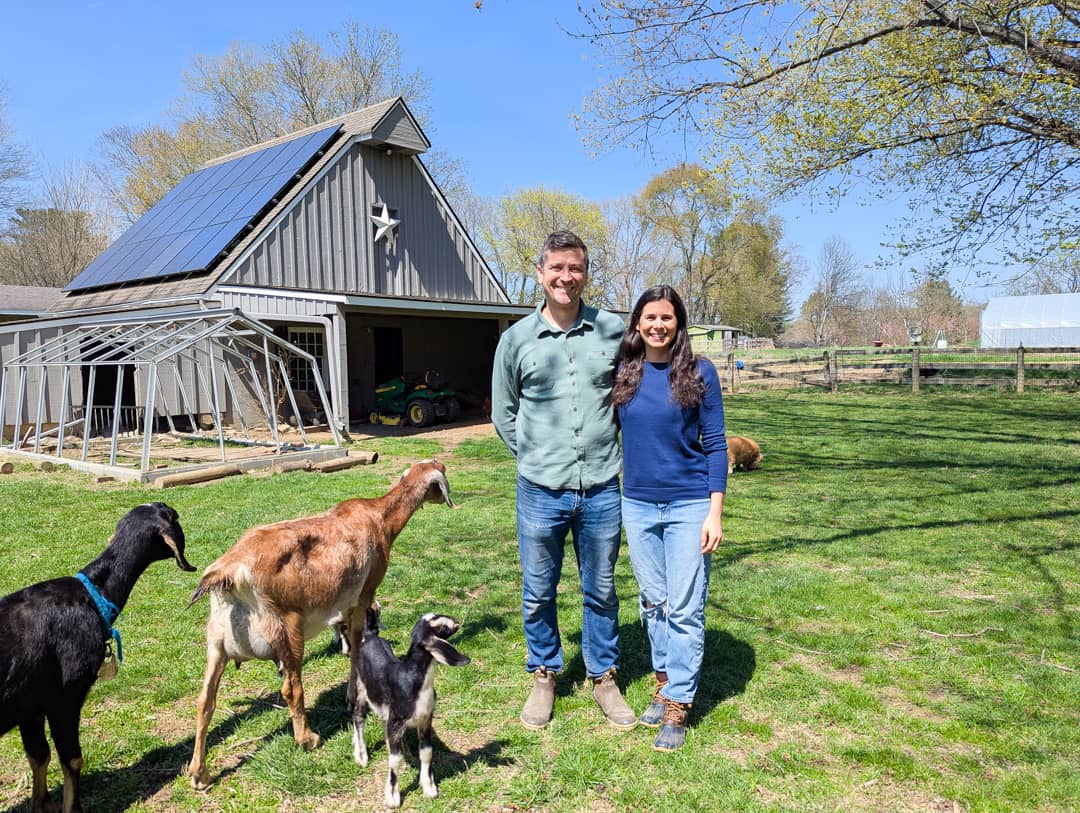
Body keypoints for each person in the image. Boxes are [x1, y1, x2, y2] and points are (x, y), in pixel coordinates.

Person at [491, 229, 636, 731]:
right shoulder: (516, 340)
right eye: (556, 268)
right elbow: (503, 412)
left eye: (575, 268)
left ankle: (604, 676)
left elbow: (633, 391)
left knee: (602, 588)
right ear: (540, 273)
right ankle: (545, 673)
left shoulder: (612, 331)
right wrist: (535, 455)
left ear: (586, 274)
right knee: (538, 591)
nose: (566, 277)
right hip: (540, 489)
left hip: (601, 486)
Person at [612, 284, 727, 751]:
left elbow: (716, 444)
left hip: (689, 505)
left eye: (667, 317)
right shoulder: (625, 373)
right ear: (637, 323)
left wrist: (715, 512)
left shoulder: (700, 372)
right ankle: (663, 682)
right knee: (653, 603)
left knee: (684, 608)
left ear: (678, 323)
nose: (658, 325)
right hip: (638, 505)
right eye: (650, 317)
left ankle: (679, 701)